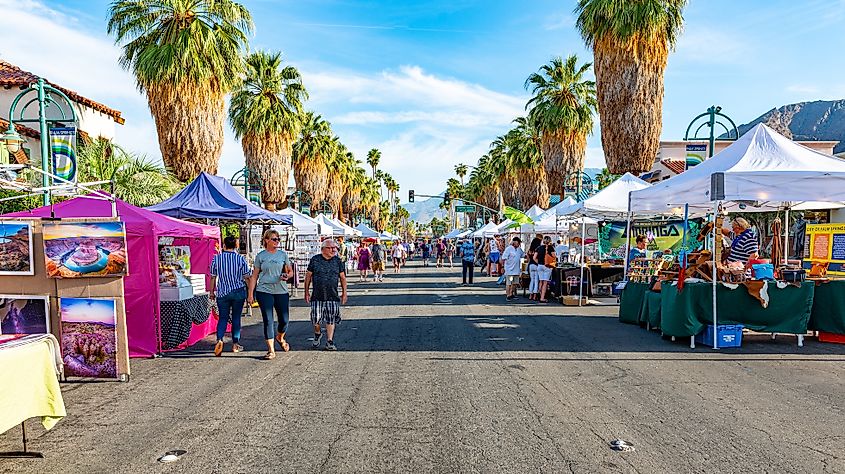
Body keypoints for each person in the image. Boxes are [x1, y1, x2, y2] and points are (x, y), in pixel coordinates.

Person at [247, 229, 293, 360]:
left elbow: (290, 272)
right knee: (268, 320)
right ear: (266, 240)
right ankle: (271, 350)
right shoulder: (261, 256)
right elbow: (254, 276)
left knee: (284, 320)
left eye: (278, 239)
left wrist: (287, 275)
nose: (277, 241)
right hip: (264, 290)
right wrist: (250, 294)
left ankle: (280, 337)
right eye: (274, 239)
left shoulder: (283, 255)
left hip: (281, 290)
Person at [210, 236, 251, 356]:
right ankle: (235, 344)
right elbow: (247, 277)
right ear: (236, 246)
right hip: (238, 292)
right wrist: (250, 293)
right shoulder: (240, 259)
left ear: (224, 245)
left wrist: (212, 292)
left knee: (223, 318)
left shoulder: (216, 259)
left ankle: (219, 339)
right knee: (236, 318)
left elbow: (213, 277)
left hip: (222, 293)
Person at [305, 239, 348, 351]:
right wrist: (306, 292)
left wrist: (344, 293)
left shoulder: (338, 261)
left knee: (331, 319)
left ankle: (329, 341)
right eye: (331, 248)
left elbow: (342, 278)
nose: (334, 250)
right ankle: (317, 333)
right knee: (316, 319)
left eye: (335, 248)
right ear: (323, 249)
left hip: (332, 296)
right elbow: (308, 276)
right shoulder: (315, 260)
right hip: (317, 296)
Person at [501, 237, 525, 301]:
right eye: (518, 242)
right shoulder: (508, 249)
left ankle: (512, 293)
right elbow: (503, 258)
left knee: (514, 283)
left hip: (516, 270)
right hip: (509, 270)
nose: (519, 244)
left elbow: (523, 255)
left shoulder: (519, 249)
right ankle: (508, 295)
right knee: (509, 283)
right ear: (514, 242)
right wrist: (502, 267)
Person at [536, 236, 555, 303]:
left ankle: (539, 294)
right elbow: (554, 256)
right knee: (545, 282)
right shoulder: (551, 248)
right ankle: (542, 298)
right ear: (550, 241)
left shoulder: (539, 248)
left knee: (540, 281)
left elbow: (534, 257)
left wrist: (539, 262)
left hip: (540, 266)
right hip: (547, 266)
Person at [527, 234, 543, 301]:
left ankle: (530, 295)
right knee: (536, 281)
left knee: (532, 280)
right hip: (536, 265)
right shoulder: (538, 249)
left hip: (531, 265)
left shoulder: (530, 250)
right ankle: (535, 295)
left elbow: (528, 258)